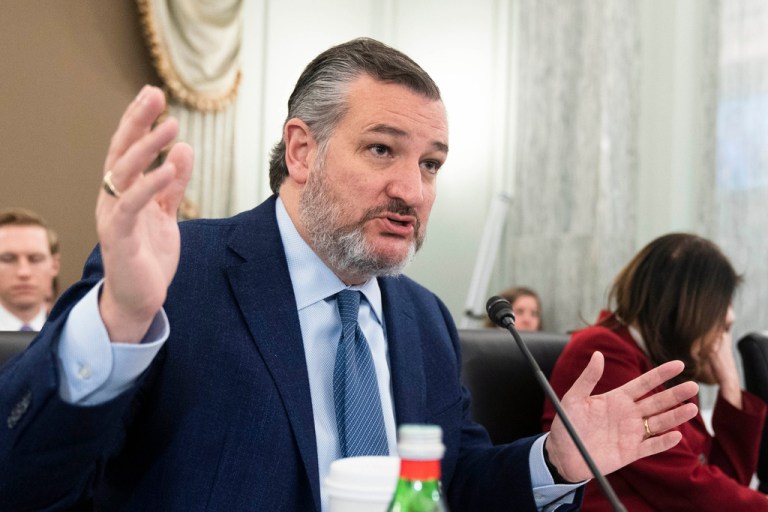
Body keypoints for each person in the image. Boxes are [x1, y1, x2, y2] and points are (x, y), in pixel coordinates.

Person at [0, 38, 698, 511]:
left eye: (430, 164)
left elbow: (451, 483)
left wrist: (554, 462)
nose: (412, 190)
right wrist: (119, 321)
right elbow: (24, 480)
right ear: (302, 151)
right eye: (382, 150)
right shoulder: (178, 273)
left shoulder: (422, 318)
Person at [542, 233, 768, 510]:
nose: (722, 341)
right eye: (722, 326)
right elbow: (689, 490)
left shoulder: (664, 363)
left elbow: (725, 482)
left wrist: (730, 383)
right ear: (691, 311)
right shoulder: (603, 353)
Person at [0, 207, 60, 331]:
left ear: (54, 266)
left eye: (35, 259)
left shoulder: (76, 334)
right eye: (8, 259)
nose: (24, 272)